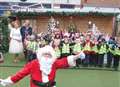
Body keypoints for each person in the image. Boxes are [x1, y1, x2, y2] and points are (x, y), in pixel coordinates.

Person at [0, 45, 85, 87]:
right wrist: (7, 81)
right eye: (45, 54)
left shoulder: (53, 63)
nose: (47, 56)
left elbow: (65, 61)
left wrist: (77, 56)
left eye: (49, 55)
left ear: (52, 56)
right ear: (41, 55)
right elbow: (21, 74)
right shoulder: (34, 63)